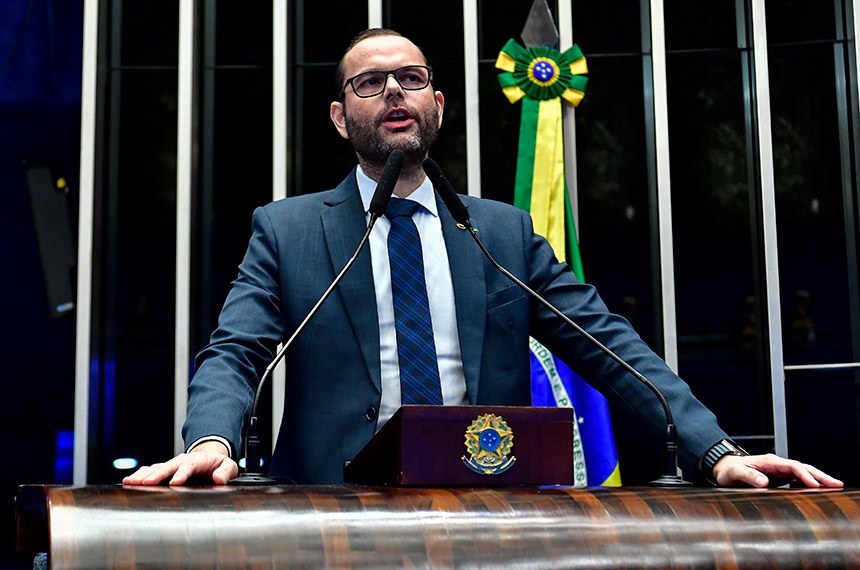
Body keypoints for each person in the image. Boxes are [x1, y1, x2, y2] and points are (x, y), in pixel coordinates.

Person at [124, 28, 841, 490]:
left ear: (437, 105)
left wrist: (716, 451)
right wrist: (213, 438)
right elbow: (236, 350)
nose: (394, 90)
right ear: (341, 119)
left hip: (487, 505)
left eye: (411, 78)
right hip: (331, 512)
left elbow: (609, 346)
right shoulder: (287, 231)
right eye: (370, 82)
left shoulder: (501, 233)